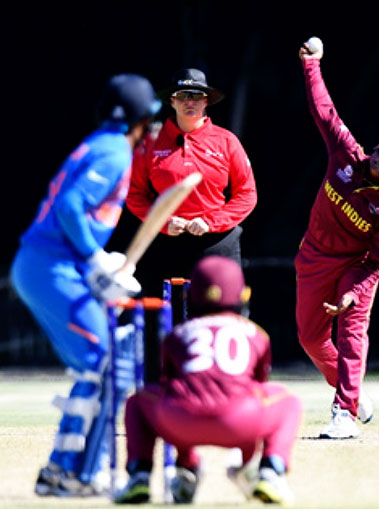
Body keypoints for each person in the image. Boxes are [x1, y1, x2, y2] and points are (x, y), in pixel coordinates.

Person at [10, 74, 160, 496]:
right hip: (48, 266)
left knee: (102, 363)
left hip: (50, 264)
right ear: (142, 119)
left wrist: (94, 262)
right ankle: (69, 473)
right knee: (104, 360)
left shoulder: (98, 143)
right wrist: (95, 258)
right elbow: (71, 206)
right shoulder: (114, 152)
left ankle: (66, 472)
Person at [297, 38, 379, 439]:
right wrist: (313, 64)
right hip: (313, 256)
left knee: (351, 330)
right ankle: (352, 392)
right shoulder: (347, 155)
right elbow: (324, 111)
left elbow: (376, 263)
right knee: (310, 338)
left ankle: (344, 412)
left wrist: (354, 293)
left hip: (356, 266)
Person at [113, 256, 302, 505]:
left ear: (191, 297)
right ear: (242, 295)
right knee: (288, 401)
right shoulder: (257, 335)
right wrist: (246, 454)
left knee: (140, 401)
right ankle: (269, 471)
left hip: (180, 421)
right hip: (240, 421)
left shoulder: (177, 335)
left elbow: (172, 386)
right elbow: (256, 387)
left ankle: (148, 474)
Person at [127, 68, 257, 298]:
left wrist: (211, 222)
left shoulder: (226, 140)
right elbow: (134, 194)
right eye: (183, 95)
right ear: (172, 101)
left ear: (206, 101)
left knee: (222, 316)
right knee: (163, 322)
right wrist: (162, 222)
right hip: (165, 242)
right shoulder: (150, 143)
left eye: (197, 95)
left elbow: (247, 194)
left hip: (217, 242)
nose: (190, 102)